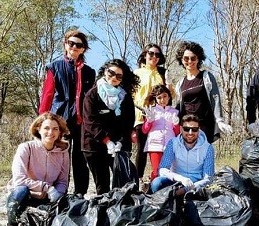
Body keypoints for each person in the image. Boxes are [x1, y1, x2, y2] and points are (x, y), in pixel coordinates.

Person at [39, 29, 96, 197]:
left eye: (79, 45)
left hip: (82, 121)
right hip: (60, 120)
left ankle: (80, 193)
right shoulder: (54, 67)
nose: (74, 47)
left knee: (80, 159)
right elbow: (47, 94)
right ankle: (56, 192)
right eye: (71, 43)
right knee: (59, 158)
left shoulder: (89, 72)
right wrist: (43, 119)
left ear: (83, 49)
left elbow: (91, 98)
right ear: (65, 45)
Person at [5, 113, 70, 226]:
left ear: (60, 132)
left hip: (48, 197)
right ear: (38, 129)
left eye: (55, 129)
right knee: (19, 191)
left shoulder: (63, 152)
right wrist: (46, 188)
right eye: (46, 128)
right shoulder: (26, 148)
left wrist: (57, 194)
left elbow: (63, 181)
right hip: (27, 193)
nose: (50, 132)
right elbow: (19, 179)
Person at [81, 59, 139, 195]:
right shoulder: (92, 94)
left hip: (117, 144)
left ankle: (121, 210)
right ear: (104, 71)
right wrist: (106, 141)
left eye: (119, 76)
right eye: (111, 73)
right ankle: (103, 211)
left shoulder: (125, 96)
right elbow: (90, 121)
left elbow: (128, 121)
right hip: (94, 144)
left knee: (125, 180)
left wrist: (121, 141)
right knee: (103, 184)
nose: (114, 78)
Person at [174, 41, 232, 143]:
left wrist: (219, 120)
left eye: (193, 58)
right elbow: (179, 106)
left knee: (202, 156)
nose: (190, 61)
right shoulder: (180, 83)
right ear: (181, 60)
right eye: (186, 58)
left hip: (205, 126)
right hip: (187, 128)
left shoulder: (206, 77)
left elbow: (215, 99)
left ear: (198, 59)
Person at [149, 114, 215, 196]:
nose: (190, 133)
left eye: (194, 129)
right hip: (175, 181)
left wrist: (186, 189)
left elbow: (208, 179)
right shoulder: (173, 143)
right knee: (156, 183)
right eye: (186, 129)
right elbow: (163, 169)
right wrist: (180, 178)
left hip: (196, 185)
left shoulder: (208, 148)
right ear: (181, 129)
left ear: (199, 130)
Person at [133, 44, 169, 186]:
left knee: (159, 149)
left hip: (160, 118)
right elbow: (131, 97)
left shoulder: (163, 74)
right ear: (144, 55)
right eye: (151, 53)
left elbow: (168, 96)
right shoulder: (136, 73)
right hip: (141, 116)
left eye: (157, 55)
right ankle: (138, 180)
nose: (154, 57)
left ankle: (158, 177)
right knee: (141, 150)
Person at [142, 84, 180, 182]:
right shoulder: (151, 111)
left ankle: (170, 191)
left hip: (170, 145)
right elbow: (144, 130)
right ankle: (154, 191)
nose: (162, 100)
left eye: (164, 96)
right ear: (155, 99)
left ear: (169, 96)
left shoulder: (174, 111)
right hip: (155, 145)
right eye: (159, 98)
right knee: (156, 171)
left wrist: (176, 124)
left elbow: (177, 132)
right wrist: (149, 121)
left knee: (170, 171)